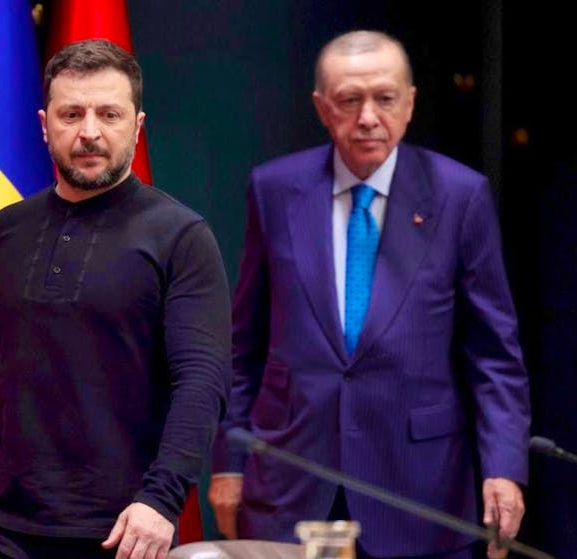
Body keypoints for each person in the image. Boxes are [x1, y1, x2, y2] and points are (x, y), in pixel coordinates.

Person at [0, 39, 231, 559]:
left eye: (109, 114)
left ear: (138, 125)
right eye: (71, 114)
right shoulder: (5, 231)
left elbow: (201, 382)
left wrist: (161, 501)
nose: (90, 132)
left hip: (125, 530)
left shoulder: (181, 237)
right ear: (44, 124)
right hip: (0, 527)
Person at [208, 30, 531, 559]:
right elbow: (244, 345)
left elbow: (494, 354)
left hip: (418, 489)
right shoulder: (274, 189)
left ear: (409, 103)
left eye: (384, 98)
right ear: (321, 107)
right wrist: (228, 460)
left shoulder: (459, 195)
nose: (367, 118)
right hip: (293, 483)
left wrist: (503, 468)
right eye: (349, 100)